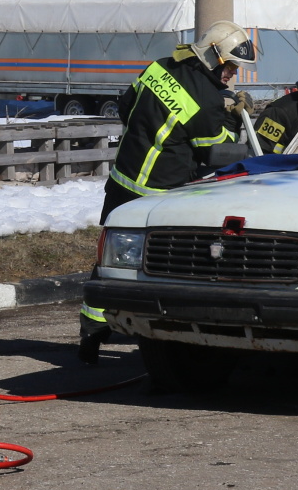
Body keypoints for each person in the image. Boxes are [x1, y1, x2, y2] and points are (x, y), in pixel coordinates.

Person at [85, 20, 256, 362]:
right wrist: (236, 118)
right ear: (212, 57)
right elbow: (216, 151)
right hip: (158, 195)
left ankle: (90, 337)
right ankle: (163, 343)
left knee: (108, 264)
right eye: (230, 67)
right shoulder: (207, 100)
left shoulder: (159, 67)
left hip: (121, 183)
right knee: (161, 268)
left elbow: (125, 106)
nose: (232, 75)